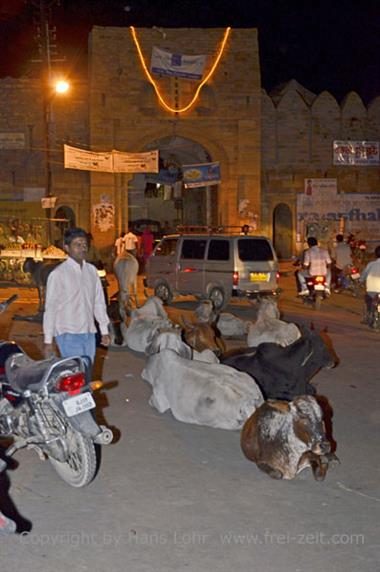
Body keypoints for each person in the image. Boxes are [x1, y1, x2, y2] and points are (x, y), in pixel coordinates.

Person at [43, 227, 110, 363]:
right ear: (66, 247)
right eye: (77, 245)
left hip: (89, 332)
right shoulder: (58, 274)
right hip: (68, 334)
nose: (82, 248)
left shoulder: (91, 271)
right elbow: (51, 308)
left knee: (86, 373)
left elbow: (98, 302)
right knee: (75, 374)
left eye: (85, 244)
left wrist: (104, 330)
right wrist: (48, 341)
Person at [360, 245, 380, 312]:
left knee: (368, 300)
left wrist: (361, 280)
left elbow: (364, 275)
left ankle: (369, 314)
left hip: (371, 290)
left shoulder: (371, 264)